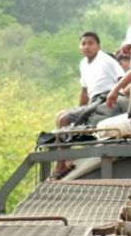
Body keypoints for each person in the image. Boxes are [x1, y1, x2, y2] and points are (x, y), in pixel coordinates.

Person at [52, 31, 124, 179]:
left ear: (98, 45)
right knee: (60, 116)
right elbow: (84, 91)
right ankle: (66, 158)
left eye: (90, 43)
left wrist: (117, 95)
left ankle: (60, 165)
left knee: (64, 119)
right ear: (80, 47)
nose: (87, 47)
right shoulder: (83, 64)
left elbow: (122, 79)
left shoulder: (106, 60)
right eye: (83, 43)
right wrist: (80, 112)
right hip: (93, 101)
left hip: (106, 98)